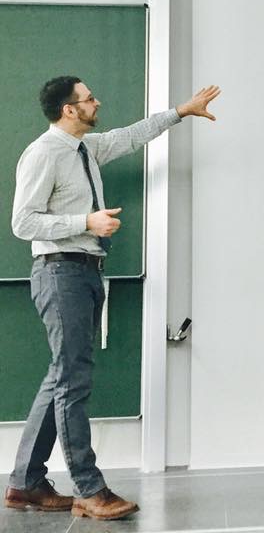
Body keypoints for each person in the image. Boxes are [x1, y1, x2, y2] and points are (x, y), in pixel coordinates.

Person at [3, 76, 221, 520]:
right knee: (72, 382)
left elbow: (130, 136)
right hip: (60, 272)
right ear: (69, 109)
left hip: (83, 272)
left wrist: (181, 111)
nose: (97, 102)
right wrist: (86, 222)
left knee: (62, 377)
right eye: (89, 99)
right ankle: (89, 489)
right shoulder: (44, 153)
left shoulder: (85, 148)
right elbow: (22, 223)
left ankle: (25, 483)